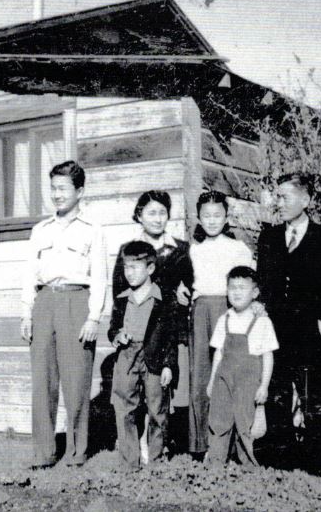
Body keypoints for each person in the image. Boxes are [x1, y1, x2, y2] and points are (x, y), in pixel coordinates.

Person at [257, 172, 321, 476]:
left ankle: (316, 466)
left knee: (313, 399)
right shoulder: (269, 238)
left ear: (305, 200)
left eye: (284, 197)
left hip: (311, 333)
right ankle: (280, 463)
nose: (278, 203)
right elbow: (264, 284)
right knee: (278, 396)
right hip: (276, 333)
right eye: (276, 197)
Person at [20, 160, 107, 469]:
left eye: (63, 188)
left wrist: (94, 317)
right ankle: (43, 453)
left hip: (77, 302)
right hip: (44, 303)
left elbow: (99, 277)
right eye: (53, 188)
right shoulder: (39, 230)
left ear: (79, 191)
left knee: (76, 380)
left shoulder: (92, 231)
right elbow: (30, 273)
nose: (56, 195)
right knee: (42, 381)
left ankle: (76, 452)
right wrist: (27, 313)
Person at [112, 190, 192, 455]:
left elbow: (188, 284)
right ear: (139, 215)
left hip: (168, 327)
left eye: (163, 213)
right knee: (133, 391)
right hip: (137, 325)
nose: (158, 219)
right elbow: (119, 291)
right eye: (151, 213)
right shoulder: (129, 251)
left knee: (161, 390)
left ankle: (160, 444)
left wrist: (185, 292)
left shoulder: (180, 249)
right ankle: (135, 446)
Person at [178, 190, 255, 458]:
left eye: (217, 215)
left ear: (226, 218)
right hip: (200, 311)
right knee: (200, 375)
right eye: (206, 216)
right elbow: (185, 282)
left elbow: (248, 285)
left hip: (228, 310)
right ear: (199, 218)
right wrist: (181, 289)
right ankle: (201, 444)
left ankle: (232, 444)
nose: (211, 221)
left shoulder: (238, 249)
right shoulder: (193, 250)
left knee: (229, 373)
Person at [109, 241, 177, 468]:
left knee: (157, 410)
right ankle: (129, 462)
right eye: (126, 267)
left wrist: (168, 365)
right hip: (127, 357)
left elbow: (170, 336)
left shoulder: (163, 298)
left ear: (150, 269)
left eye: (134, 267)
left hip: (154, 358)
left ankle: (155, 460)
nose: (129, 273)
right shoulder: (121, 299)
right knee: (124, 408)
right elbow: (112, 329)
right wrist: (117, 336)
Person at [206, 266, 278, 466]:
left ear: (254, 293)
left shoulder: (262, 322)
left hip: (248, 381)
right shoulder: (224, 319)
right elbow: (218, 353)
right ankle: (216, 464)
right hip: (224, 378)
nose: (236, 292)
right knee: (219, 419)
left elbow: (268, 356)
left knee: (244, 421)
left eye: (242, 288)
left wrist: (264, 386)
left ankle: (246, 465)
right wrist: (212, 381)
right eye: (232, 288)